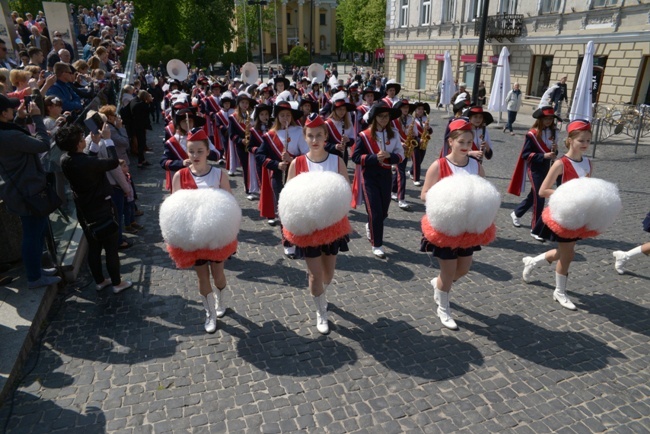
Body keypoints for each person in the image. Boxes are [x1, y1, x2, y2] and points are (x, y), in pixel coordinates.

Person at [286, 113, 350, 334]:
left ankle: (321, 290)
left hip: (332, 227)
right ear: (304, 137)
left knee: (328, 274)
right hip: (308, 228)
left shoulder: (336, 161)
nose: (315, 140)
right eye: (311, 135)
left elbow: (346, 192)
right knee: (315, 274)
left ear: (326, 137)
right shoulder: (297, 163)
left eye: (319, 135)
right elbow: (288, 197)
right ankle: (320, 310)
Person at [419, 117, 486, 330]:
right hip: (445, 226)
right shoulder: (439, 165)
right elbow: (424, 194)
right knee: (448, 271)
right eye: (461, 142)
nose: (466, 147)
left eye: (469, 143)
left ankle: (439, 285)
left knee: (464, 268)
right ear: (451, 142)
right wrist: (449, 198)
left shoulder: (475, 165)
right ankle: (444, 308)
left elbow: (484, 191)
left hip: (467, 226)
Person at [521, 120, 594, 311]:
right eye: (581, 140)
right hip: (563, 213)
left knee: (564, 253)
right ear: (569, 140)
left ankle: (533, 261)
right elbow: (543, 190)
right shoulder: (561, 163)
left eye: (588, 140)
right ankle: (560, 292)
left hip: (578, 213)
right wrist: (567, 194)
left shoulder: (587, 162)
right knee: (568, 255)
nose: (585, 144)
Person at [57, 124, 132, 293]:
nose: (84, 140)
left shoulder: (66, 159)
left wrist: (95, 144)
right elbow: (113, 162)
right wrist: (108, 139)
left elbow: (88, 162)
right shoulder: (85, 162)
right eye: (82, 139)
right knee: (111, 248)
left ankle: (100, 281)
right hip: (101, 207)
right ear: (78, 144)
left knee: (94, 246)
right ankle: (117, 283)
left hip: (84, 209)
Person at [171, 128, 232, 333]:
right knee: (202, 277)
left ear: (208, 151)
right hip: (194, 238)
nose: (195, 156)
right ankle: (210, 314)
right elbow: (175, 210)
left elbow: (229, 205)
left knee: (218, 274)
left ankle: (221, 301)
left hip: (215, 237)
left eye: (199, 151)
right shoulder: (179, 176)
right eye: (191, 151)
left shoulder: (219, 174)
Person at [0, 95, 62, 288]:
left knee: (36, 230)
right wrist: (36, 118)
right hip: (27, 192)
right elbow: (42, 144)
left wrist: (19, 118)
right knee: (32, 235)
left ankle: (37, 270)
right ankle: (35, 277)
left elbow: (17, 138)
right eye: (10, 108)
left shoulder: (6, 132)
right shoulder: (8, 136)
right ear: (3, 113)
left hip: (22, 189)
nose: (13, 109)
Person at [351, 101, 404, 259]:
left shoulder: (393, 134)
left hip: (386, 175)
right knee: (375, 211)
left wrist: (390, 156)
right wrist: (374, 158)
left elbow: (401, 155)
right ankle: (377, 244)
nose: (383, 119)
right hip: (369, 177)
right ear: (374, 118)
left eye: (386, 116)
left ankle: (371, 225)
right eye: (380, 116)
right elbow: (355, 157)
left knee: (384, 211)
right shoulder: (364, 135)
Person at [255, 101, 303, 257]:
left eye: (288, 115)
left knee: (297, 208)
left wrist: (292, 159)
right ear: (277, 117)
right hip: (278, 176)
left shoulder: (299, 131)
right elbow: (259, 156)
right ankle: (287, 242)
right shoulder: (270, 135)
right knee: (283, 209)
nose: (285, 118)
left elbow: (307, 155)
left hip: (296, 176)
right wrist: (276, 164)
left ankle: (299, 237)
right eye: (282, 115)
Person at [507, 106, 560, 241]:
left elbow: (553, 153)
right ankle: (535, 229)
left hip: (547, 168)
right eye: (546, 119)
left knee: (533, 196)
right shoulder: (532, 134)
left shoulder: (554, 132)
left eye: (550, 119)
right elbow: (526, 154)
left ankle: (517, 213)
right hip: (534, 168)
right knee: (540, 196)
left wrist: (554, 151)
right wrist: (543, 156)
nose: (548, 121)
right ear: (540, 119)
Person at [229, 92, 258, 198]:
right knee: (246, 167)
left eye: (247, 103)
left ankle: (256, 186)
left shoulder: (252, 115)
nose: (245, 105)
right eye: (243, 103)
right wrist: (241, 141)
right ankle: (248, 189)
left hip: (253, 144)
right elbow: (231, 135)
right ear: (238, 104)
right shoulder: (233, 117)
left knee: (255, 165)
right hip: (241, 146)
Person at [390, 99, 413, 210]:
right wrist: (400, 143)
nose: (406, 109)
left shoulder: (410, 119)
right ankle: (401, 199)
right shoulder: (393, 121)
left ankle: (393, 191)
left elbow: (415, 133)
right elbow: (391, 135)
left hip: (406, 147)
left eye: (407, 108)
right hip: (396, 149)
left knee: (400, 171)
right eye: (403, 108)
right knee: (401, 173)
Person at [324, 91, 355, 165]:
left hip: (343, 156)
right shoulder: (327, 124)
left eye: (344, 109)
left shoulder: (347, 123)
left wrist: (348, 140)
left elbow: (352, 139)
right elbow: (322, 143)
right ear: (334, 110)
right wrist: (334, 146)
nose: (342, 112)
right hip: (330, 156)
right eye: (340, 109)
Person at [409, 101, 432, 187]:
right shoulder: (411, 119)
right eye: (419, 109)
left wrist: (428, 128)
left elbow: (431, 132)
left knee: (420, 160)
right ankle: (416, 179)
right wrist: (418, 140)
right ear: (415, 110)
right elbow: (410, 133)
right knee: (416, 161)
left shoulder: (425, 119)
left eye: (422, 109)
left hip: (423, 142)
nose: (421, 110)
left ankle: (411, 172)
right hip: (414, 143)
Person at [129, 90, 153, 169]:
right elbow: (150, 110)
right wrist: (150, 102)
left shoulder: (134, 101)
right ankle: (140, 162)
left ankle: (142, 160)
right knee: (141, 144)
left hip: (136, 125)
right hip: (139, 126)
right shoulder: (141, 105)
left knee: (141, 143)